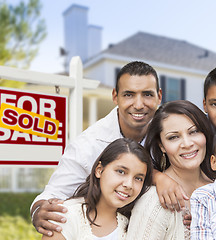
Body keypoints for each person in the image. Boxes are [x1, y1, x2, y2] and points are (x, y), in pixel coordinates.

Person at [31, 61, 187, 237]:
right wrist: (39, 211)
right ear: (115, 96)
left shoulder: (168, 130)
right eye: (129, 95)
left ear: (159, 96)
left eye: (147, 95)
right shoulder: (87, 145)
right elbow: (55, 193)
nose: (138, 104)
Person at [126, 100, 216, 239]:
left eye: (193, 132)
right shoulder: (154, 201)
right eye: (174, 137)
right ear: (162, 146)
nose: (187, 144)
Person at [41, 138, 153, 240]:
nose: (129, 184)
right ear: (99, 170)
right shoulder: (65, 216)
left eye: (138, 178)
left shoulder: (132, 225)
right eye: (121, 172)